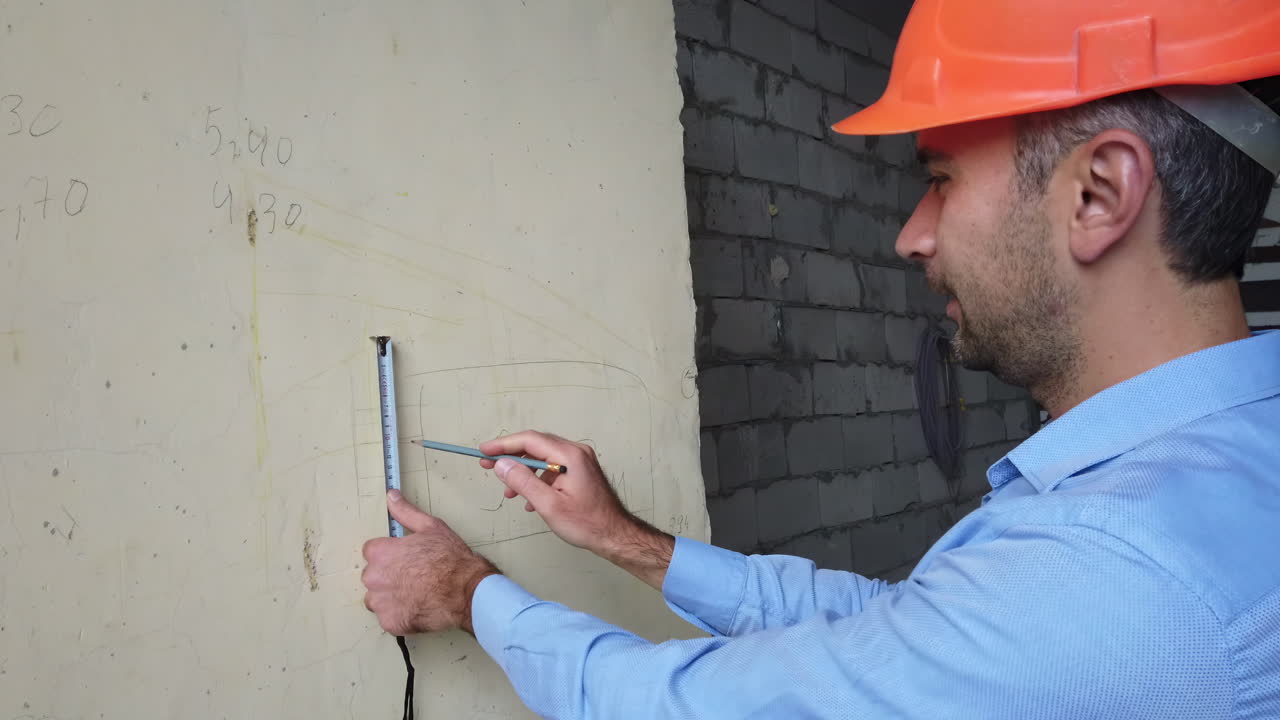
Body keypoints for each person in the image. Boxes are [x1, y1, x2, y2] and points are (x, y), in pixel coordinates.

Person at [360, 0, 1280, 716]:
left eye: (939, 180)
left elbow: (691, 710)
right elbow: (899, 637)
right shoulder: (1224, 467)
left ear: (1100, 193)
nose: (911, 238)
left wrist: (469, 592)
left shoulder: (1118, 568)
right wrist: (620, 540)